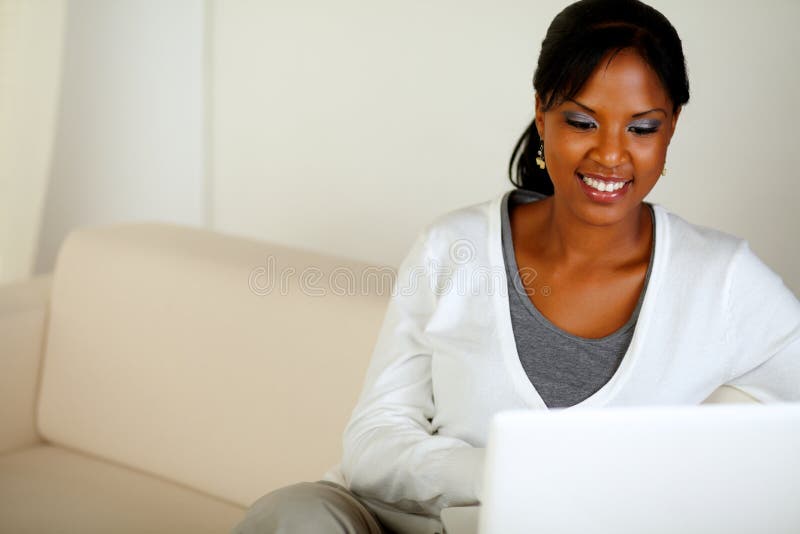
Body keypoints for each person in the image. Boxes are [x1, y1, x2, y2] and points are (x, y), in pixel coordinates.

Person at [233, 0, 800, 532]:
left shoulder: (722, 280)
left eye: (641, 127)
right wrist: (502, 474)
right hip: (398, 523)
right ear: (542, 112)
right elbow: (371, 443)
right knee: (295, 514)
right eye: (581, 122)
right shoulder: (452, 247)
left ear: (671, 126)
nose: (610, 153)